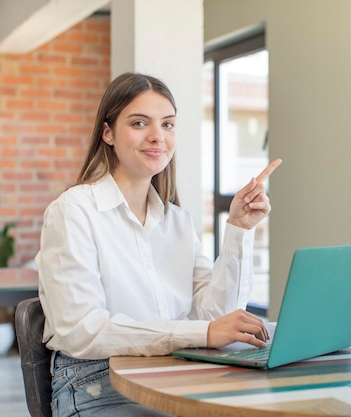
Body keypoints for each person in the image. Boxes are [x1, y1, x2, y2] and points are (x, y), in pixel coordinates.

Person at [35, 72, 282, 417]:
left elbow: (218, 317)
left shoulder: (177, 221)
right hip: (97, 380)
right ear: (108, 133)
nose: (157, 137)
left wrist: (239, 229)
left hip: (178, 373)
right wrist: (200, 333)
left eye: (168, 125)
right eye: (139, 123)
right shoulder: (73, 212)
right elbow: (81, 331)